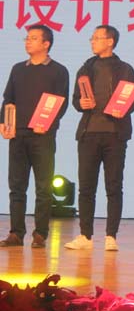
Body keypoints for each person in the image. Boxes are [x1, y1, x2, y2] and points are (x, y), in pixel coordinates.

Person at [65, 25, 134, 251]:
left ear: (110, 41)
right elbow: (76, 99)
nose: (92, 41)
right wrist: (81, 103)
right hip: (88, 133)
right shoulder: (86, 68)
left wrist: (122, 109)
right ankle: (85, 235)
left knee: (113, 186)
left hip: (115, 134)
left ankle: (111, 236)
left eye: (97, 38)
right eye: (92, 38)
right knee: (86, 186)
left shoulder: (125, 69)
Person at [0, 24, 70, 249]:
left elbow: (61, 104)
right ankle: (16, 233)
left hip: (43, 136)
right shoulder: (18, 69)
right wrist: (3, 123)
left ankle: (40, 233)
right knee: (17, 186)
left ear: (46, 44)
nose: (27, 42)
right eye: (27, 38)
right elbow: (8, 99)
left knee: (43, 186)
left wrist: (46, 124)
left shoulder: (58, 71)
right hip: (18, 134)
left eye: (33, 38)